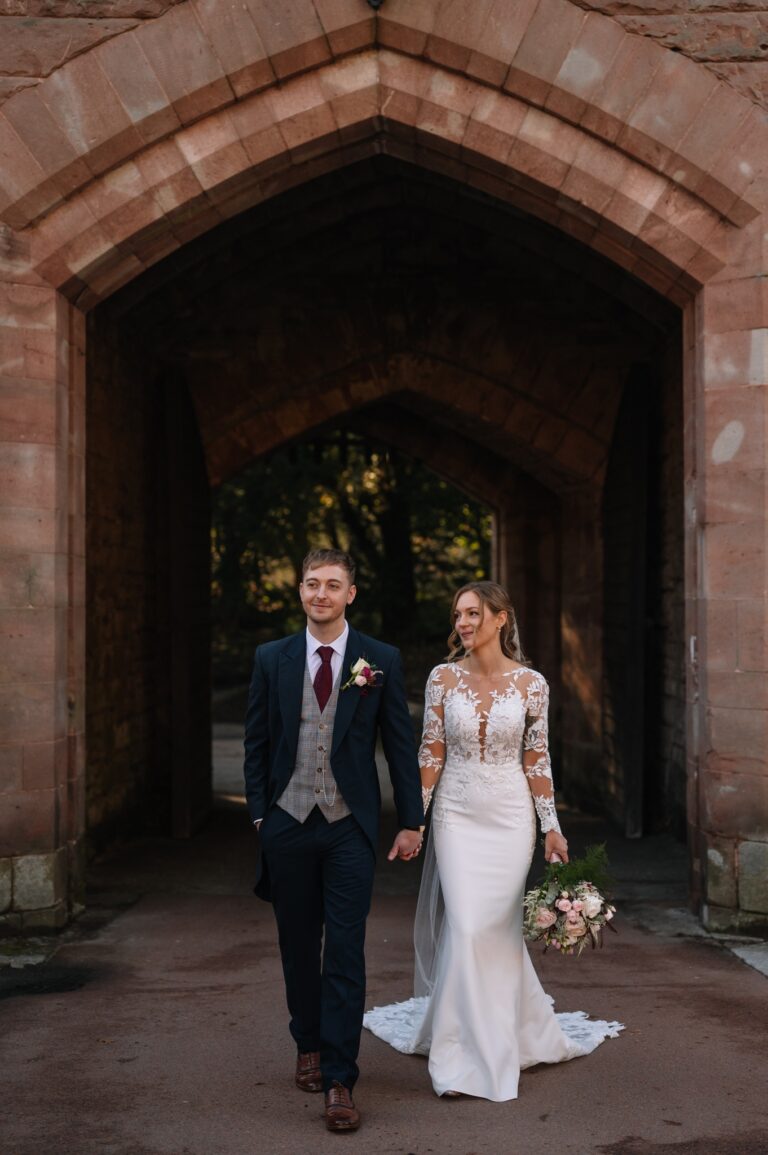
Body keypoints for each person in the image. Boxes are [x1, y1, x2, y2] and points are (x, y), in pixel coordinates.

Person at [364, 581, 623, 1101]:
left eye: (472, 613)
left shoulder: (532, 684)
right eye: (458, 614)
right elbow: (431, 752)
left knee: (496, 928)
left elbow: (537, 758)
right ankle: (462, 1048)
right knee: (466, 924)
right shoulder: (442, 678)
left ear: (500, 619)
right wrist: (415, 821)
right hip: (457, 814)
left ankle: (501, 1037)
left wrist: (551, 825)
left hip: (510, 815)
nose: (462, 622)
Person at [243, 548, 424, 1133]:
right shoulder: (272, 658)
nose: (320, 593)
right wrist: (258, 818)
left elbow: (400, 745)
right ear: (300, 591)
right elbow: (256, 741)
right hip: (288, 824)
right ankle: (308, 1042)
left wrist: (411, 819)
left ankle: (341, 1078)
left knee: (345, 951)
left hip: (349, 827)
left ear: (351, 594)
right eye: (311, 584)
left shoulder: (380, 660)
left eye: (333, 585)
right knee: (298, 947)